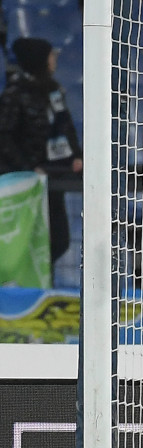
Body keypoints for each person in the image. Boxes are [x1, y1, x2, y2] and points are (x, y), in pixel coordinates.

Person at [0, 37, 82, 275]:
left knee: (58, 240)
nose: (54, 60)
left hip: (53, 177)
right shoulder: (14, 94)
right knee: (25, 242)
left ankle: (40, 282)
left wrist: (76, 156)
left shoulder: (54, 89)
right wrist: (28, 168)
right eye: (50, 55)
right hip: (25, 183)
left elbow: (65, 125)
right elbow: (4, 137)